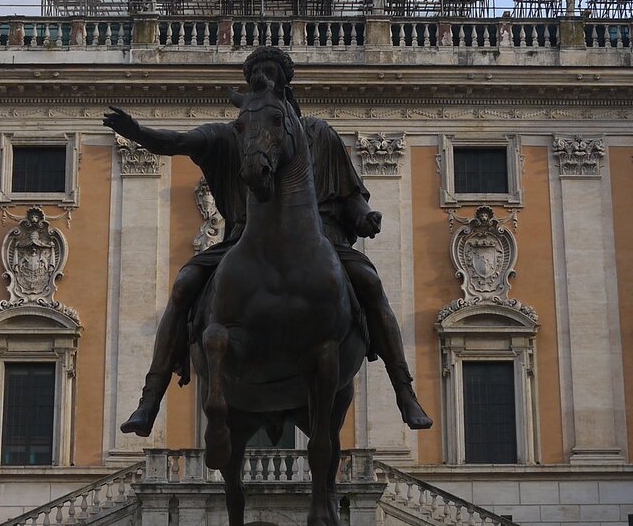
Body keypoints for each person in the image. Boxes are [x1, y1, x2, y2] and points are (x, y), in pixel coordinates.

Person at [102, 47, 432, 437]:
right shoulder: (233, 133)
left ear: (285, 85)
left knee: (372, 286)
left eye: (273, 72)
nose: (265, 78)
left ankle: (404, 391)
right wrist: (138, 133)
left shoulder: (318, 133)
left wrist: (363, 216)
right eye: (258, 72)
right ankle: (150, 397)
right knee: (183, 288)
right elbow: (177, 142)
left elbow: (351, 192)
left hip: (321, 239)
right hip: (244, 239)